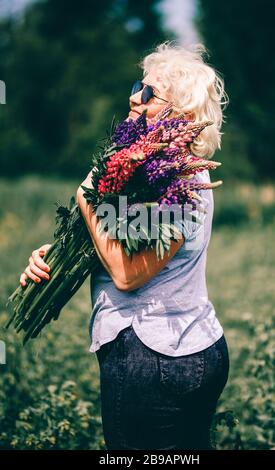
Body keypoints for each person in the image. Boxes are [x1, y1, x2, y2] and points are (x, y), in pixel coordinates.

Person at [19, 41, 230, 450]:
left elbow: (127, 273)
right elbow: (111, 240)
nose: (135, 96)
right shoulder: (148, 168)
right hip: (187, 352)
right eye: (139, 84)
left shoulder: (180, 182)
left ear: (180, 114)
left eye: (150, 93)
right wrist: (55, 256)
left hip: (154, 358)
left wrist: (86, 200)